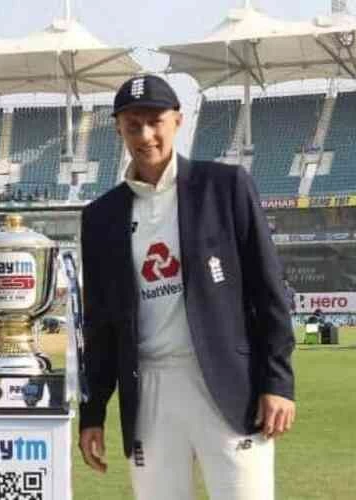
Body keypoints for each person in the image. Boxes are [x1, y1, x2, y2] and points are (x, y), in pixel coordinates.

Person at [78, 75, 296, 500]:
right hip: (150, 390)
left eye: (155, 122)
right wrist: (93, 412)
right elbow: (100, 324)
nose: (145, 135)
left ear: (177, 121)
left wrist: (278, 383)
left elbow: (269, 290)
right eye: (132, 125)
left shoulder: (226, 186)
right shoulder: (101, 216)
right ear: (118, 130)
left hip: (228, 386)